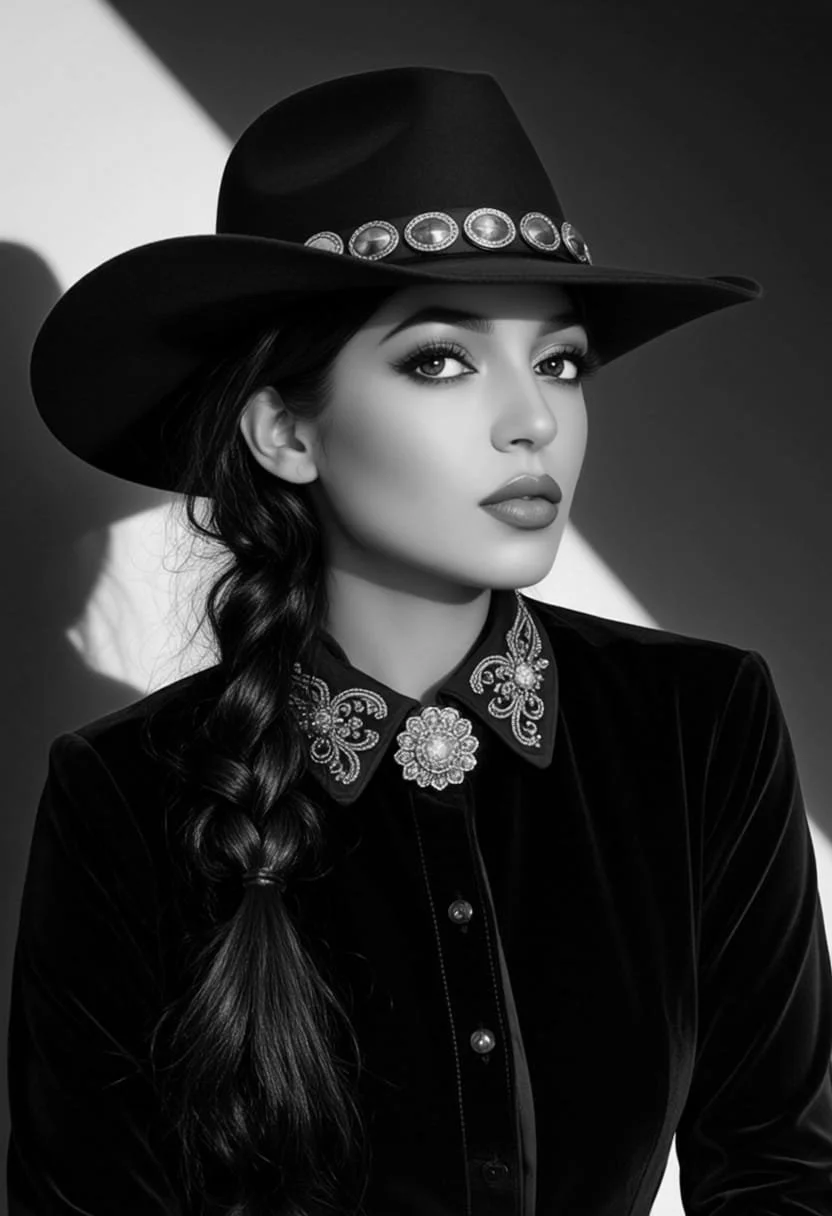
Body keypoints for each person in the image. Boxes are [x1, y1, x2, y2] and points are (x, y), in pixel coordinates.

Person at [9, 64, 832, 1216]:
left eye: (559, 362)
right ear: (285, 431)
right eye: (441, 359)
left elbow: (784, 1172)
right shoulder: (125, 794)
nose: (533, 419)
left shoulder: (696, 724)